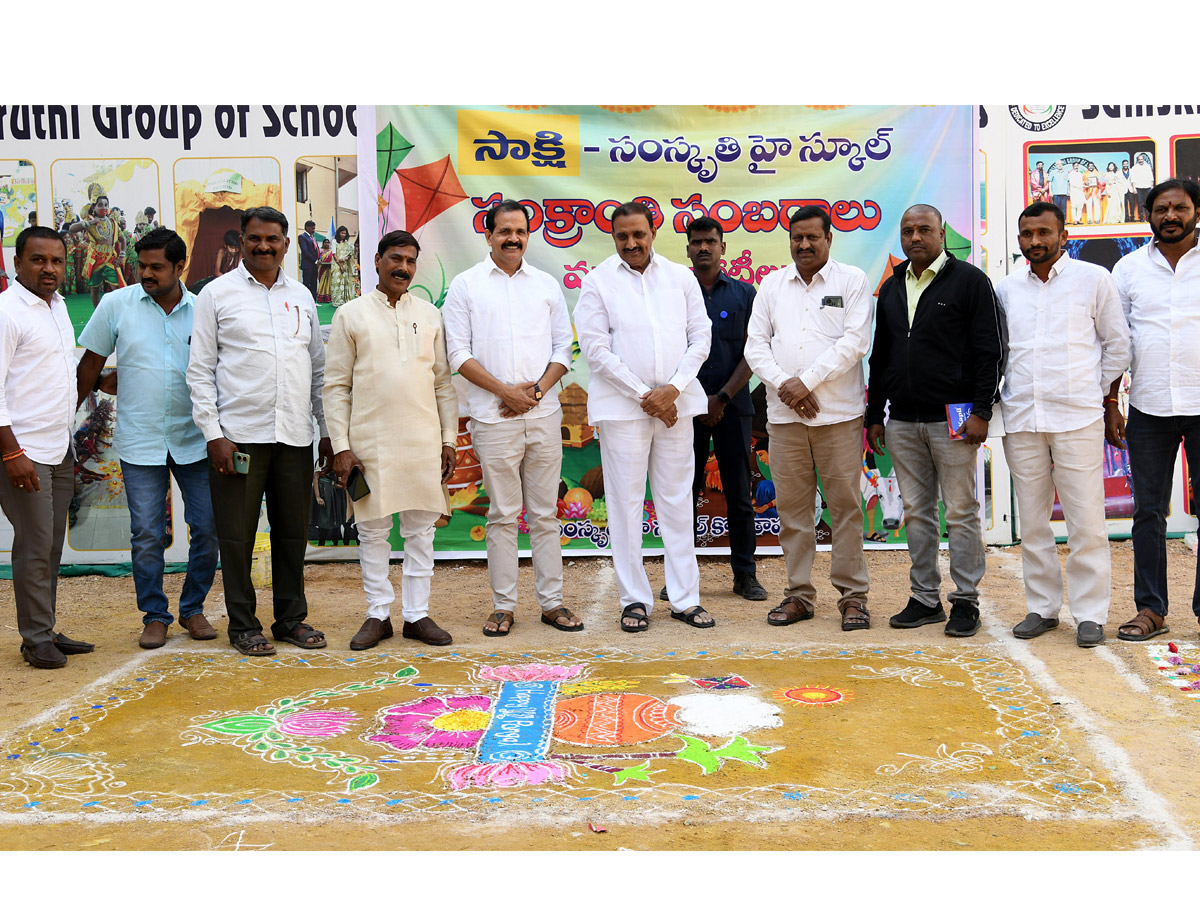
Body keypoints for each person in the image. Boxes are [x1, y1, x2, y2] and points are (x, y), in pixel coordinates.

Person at [186, 206, 333, 657]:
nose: (264, 246)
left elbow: (318, 369)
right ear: (242, 242)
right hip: (238, 438)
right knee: (236, 535)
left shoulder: (302, 296)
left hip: (293, 435)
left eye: (273, 239)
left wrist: (326, 431)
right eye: (255, 239)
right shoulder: (216, 294)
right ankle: (243, 625)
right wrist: (214, 435)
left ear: (287, 244)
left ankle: (290, 619)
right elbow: (199, 371)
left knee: (292, 532)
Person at [75, 228, 220, 650]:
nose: (146, 273)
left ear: (180, 268)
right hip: (140, 440)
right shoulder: (116, 304)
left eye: (156, 267)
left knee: (207, 527)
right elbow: (90, 366)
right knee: (145, 533)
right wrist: (67, 415)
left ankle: (193, 609)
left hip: (196, 438)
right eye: (141, 265)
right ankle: (155, 615)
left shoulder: (203, 310)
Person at [866, 204, 1005, 637]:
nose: (915, 237)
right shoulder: (891, 288)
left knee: (961, 511)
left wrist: (982, 410)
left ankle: (965, 601)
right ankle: (925, 598)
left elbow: (990, 351)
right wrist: (875, 415)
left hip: (956, 420)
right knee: (917, 512)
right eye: (908, 231)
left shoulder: (969, 282)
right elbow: (883, 356)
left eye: (925, 229)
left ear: (942, 234)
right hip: (903, 421)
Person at [575, 201, 714, 632]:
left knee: (676, 502)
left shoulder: (680, 277)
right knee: (625, 505)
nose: (631, 243)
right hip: (623, 412)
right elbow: (596, 350)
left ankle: (685, 599)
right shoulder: (597, 282)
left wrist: (672, 389)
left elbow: (700, 337)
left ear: (653, 232)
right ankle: (634, 599)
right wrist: (644, 395)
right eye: (622, 237)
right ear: (613, 238)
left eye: (638, 234)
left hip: (676, 407)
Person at [997, 202, 1131, 648]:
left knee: (1086, 521)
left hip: (1077, 417)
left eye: (1043, 233)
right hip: (1022, 417)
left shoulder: (1094, 279)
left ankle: (1090, 614)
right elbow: (998, 351)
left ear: (1063, 235)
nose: (1034, 242)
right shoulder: (1006, 288)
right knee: (1033, 521)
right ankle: (1043, 608)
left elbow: (1117, 346)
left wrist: (1094, 394)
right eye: (1026, 234)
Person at [442, 199, 577, 636]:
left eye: (520, 231)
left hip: (543, 412)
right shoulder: (466, 286)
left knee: (543, 514)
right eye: (505, 231)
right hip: (492, 416)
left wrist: (535, 392)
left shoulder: (545, 285)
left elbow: (563, 350)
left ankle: (552, 603)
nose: (513, 239)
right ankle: (503, 606)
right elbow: (457, 353)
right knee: (502, 514)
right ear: (488, 235)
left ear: (527, 235)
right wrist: (504, 392)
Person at [324, 230, 459, 649]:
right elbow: (335, 387)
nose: (403, 267)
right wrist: (342, 447)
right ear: (377, 261)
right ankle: (378, 614)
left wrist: (449, 440)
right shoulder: (351, 314)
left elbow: (442, 384)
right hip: (370, 444)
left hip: (423, 442)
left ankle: (417, 615)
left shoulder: (430, 315)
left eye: (411, 261)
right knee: (373, 533)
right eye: (395, 258)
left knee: (421, 533)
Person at [745, 206, 874, 630]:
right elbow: (755, 346)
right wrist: (787, 385)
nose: (803, 245)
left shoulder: (851, 280)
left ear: (829, 238)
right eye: (797, 238)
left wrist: (808, 382)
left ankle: (853, 598)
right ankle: (799, 595)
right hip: (785, 420)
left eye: (812, 238)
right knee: (794, 512)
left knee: (845, 509)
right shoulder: (772, 285)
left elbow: (855, 342)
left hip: (838, 416)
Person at [1108, 179, 1200, 641]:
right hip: (1148, 407)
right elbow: (1115, 341)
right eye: (1161, 208)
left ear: (1196, 212)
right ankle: (1151, 609)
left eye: (1179, 207)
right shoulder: (1127, 270)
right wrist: (1111, 402)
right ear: (1148, 216)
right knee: (1148, 511)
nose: (1170, 215)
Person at [0, 226, 94, 668]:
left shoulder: (56, 307)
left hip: (59, 446)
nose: (50, 269)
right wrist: (12, 454)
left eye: (57, 261)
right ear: (17, 263)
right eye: (38, 260)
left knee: (52, 545)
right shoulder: (6, 312)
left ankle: (45, 628)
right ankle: (35, 637)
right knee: (35, 545)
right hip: (24, 451)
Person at [682, 216, 766, 602]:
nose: (703, 248)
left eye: (710, 242)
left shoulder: (746, 294)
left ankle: (745, 576)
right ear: (688, 249)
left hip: (734, 407)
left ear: (722, 247)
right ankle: (681, 577)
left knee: (739, 493)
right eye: (696, 242)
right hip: (686, 408)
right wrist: (699, 399)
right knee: (683, 493)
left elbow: (754, 353)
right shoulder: (677, 293)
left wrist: (722, 399)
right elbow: (672, 351)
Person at [71, 186, 126, 308]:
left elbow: (122, 239)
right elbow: (71, 229)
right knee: (94, 288)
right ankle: (97, 312)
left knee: (116, 287)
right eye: (100, 205)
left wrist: (122, 255)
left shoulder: (112, 222)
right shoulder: (90, 223)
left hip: (111, 259)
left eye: (106, 205)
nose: (104, 208)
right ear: (94, 207)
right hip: (95, 259)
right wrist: (90, 223)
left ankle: (119, 311)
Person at [330, 226, 356, 307]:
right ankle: (337, 301)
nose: (343, 235)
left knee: (345, 281)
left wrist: (345, 258)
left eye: (345, 233)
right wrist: (340, 264)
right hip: (336, 264)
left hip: (345, 264)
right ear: (338, 233)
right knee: (337, 281)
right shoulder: (335, 242)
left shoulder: (347, 243)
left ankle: (345, 300)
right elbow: (334, 254)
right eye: (342, 233)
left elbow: (350, 254)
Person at [1130, 154, 1155, 221]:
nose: (1140, 161)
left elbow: (1150, 176)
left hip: (1147, 186)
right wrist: (1134, 188)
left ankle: (1147, 217)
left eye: (1141, 159)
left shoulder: (1147, 167)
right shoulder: (1134, 168)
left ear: (1143, 160)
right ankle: (1141, 217)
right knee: (1140, 202)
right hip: (1138, 187)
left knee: (1147, 202)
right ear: (1137, 160)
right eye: (1139, 160)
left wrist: (1151, 185)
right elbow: (1133, 179)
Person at [298, 220, 319, 300]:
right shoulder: (302, 237)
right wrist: (315, 260)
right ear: (307, 227)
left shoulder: (313, 238)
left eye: (314, 228)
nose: (313, 230)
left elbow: (316, 249)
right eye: (312, 228)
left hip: (315, 265)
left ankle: (313, 301)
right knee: (307, 283)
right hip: (308, 265)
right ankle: (305, 300)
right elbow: (305, 251)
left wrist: (319, 259)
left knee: (314, 283)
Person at [316, 239, 333, 304]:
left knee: (328, 283)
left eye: (328, 243)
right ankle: (321, 297)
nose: (326, 244)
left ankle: (328, 297)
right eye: (325, 242)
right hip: (322, 269)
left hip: (329, 269)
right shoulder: (320, 251)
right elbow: (318, 259)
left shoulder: (331, 252)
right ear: (323, 244)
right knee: (322, 283)